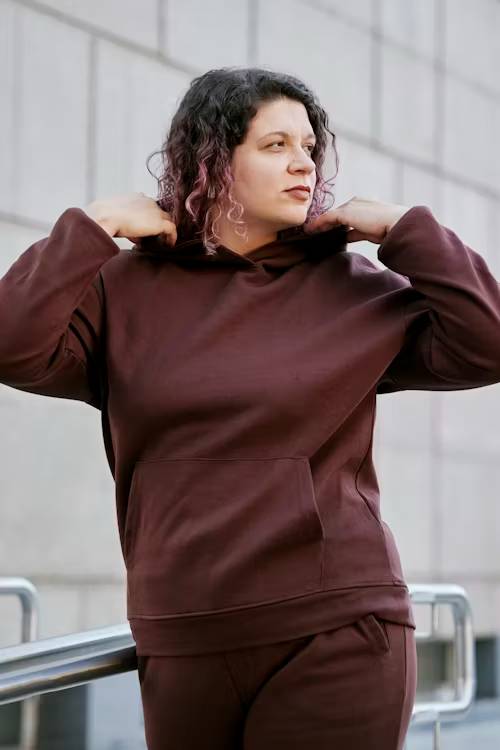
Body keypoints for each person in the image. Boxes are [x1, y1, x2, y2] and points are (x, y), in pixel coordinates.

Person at [1, 66, 500, 750]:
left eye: (309, 147)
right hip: (182, 636)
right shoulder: (124, 290)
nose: (304, 163)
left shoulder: (352, 287)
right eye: (275, 145)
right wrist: (94, 226)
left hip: (336, 629)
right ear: (213, 161)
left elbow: (487, 343)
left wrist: (404, 229)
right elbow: (12, 344)